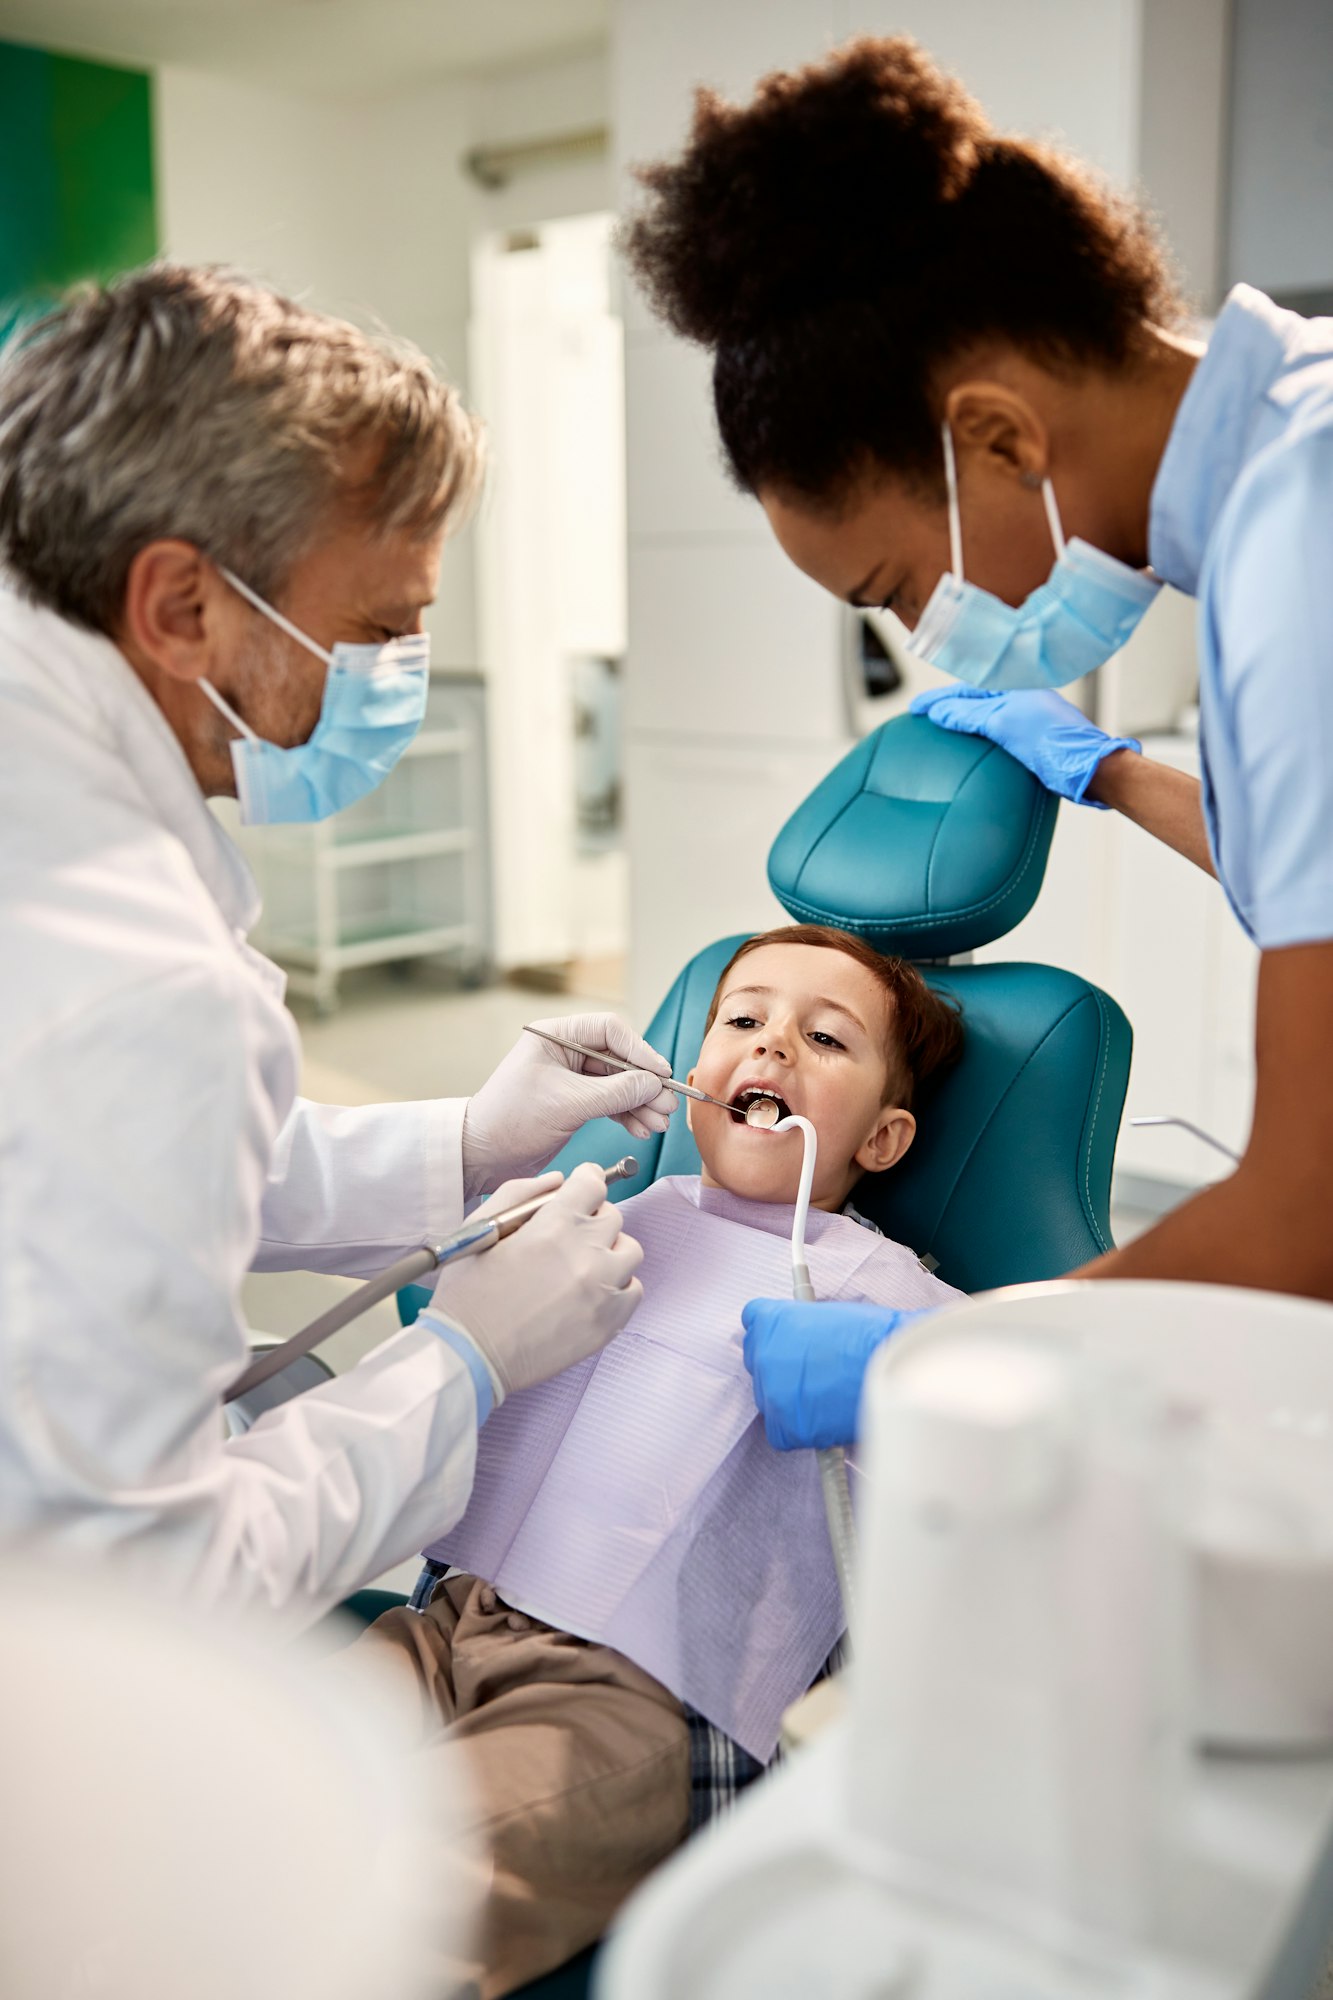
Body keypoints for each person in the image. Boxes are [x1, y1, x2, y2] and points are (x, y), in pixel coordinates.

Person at [621, 33, 1333, 1453]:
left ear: (998, 437)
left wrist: (950, 1353)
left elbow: (1307, 1208)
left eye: (896, 590)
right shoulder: (1290, 460)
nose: (931, 637)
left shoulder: (1301, 538)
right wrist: (1115, 776)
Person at [0, 263, 677, 1615]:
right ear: (182, 606)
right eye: (377, 629)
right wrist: (460, 1366)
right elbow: (143, 1587)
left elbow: (97, 1163)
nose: (399, 677)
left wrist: (464, 1145)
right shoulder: (131, 973)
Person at [352, 925, 964, 1996]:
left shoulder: (877, 1282)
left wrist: (910, 1362)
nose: (769, 1047)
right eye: (742, 1019)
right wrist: (476, 1254)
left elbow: (1042, 1370)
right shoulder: (618, 1209)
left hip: (633, 1694)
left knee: (386, 1888)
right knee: (240, 1780)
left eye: (823, 1037)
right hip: (448, 1615)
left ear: (882, 1137)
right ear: (694, 1081)